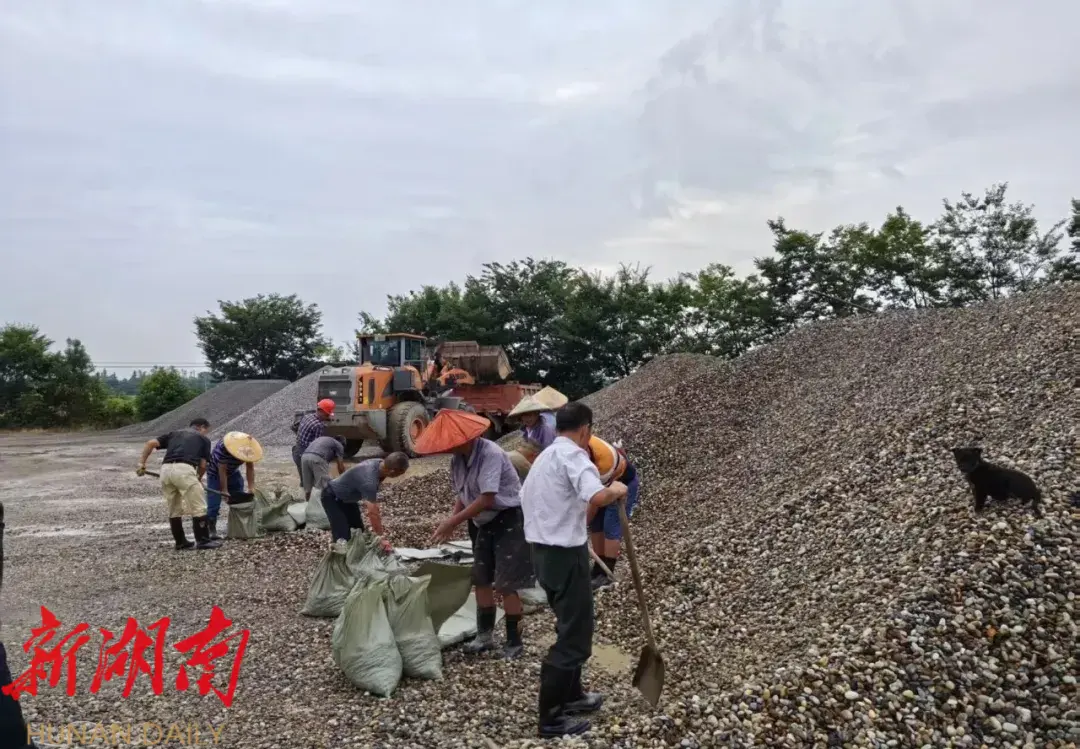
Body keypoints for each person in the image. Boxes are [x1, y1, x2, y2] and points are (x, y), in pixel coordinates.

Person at [520, 401, 628, 738]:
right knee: (576, 637)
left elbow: (529, 500)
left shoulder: (544, 458)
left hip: (542, 554)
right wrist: (616, 489)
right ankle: (551, 718)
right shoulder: (575, 456)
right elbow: (596, 495)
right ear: (585, 430)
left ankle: (573, 695)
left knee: (569, 624)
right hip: (565, 555)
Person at [420, 409, 536, 660]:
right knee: (481, 578)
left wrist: (452, 522)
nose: (448, 448)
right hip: (481, 521)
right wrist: (453, 521)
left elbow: (487, 498)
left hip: (508, 517)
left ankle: (514, 641)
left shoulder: (490, 454)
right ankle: (484, 635)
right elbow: (463, 495)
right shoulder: (457, 460)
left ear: (464, 438)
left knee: (506, 583)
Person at [136, 418, 218, 550]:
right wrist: (198, 478)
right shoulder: (203, 439)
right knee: (199, 506)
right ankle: (203, 541)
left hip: (165, 470)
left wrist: (142, 463)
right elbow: (203, 465)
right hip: (184, 470)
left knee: (174, 508)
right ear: (201, 427)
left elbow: (150, 443)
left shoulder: (174, 434)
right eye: (206, 430)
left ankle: (180, 542)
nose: (205, 433)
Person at [586, 437, 641, 590]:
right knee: (596, 524)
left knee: (611, 525)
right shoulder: (577, 447)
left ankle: (608, 573)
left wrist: (582, 523)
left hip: (623, 484)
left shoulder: (603, 463)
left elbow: (595, 502)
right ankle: (599, 567)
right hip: (605, 484)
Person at [320, 453, 409, 546]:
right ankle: (341, 553)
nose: (401, 476)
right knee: (342, 536)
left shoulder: (381, 464)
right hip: (332, 496)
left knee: (358, 530)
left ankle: (356, 552)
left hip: (348, 498)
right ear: (393, 471)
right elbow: (373, 513)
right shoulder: (369, 480)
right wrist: (380, 538)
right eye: (401, 473)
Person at [205, 431, 263, 541]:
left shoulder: (248, 448)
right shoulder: (224, 447)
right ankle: (211, 529)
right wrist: (224, 490)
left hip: (233, 472)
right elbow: (222, 471)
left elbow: (250, 467)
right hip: (215, 474)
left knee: (239, 498)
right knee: (214, 502)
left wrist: (251, 487)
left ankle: (238, 525)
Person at [292, 399, 336, 479]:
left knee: (304, 480)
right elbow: (316, 447)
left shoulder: (307, 416)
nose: (328, 417)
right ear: (321, 411)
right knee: (312, 480)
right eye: (327, 415)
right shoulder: (318, 426)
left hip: (297, 451)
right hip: (304, 454)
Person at [301, 435, 347, 501]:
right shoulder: (339, 445)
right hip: (318, 458)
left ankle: (307, 503)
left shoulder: (326, 440)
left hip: (304, 457)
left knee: (308, 487)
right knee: (323, 487)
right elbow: (340, 466)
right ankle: (322, 505)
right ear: (343, 444)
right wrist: (345, 479)